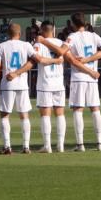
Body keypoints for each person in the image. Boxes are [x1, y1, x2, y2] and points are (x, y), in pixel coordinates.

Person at [63, 13, 101, 152]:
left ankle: (80, 144)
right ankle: (99, 143)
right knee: (95, 109)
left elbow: (69, 57)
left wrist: (81, 59)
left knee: (78, 109)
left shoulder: (71, 37)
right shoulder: (94, 36)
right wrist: (91, 59)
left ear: (73, 24)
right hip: (92, 78)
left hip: (79, 77)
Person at [0, 23, 37, 154]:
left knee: (4, 115)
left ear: (7, 33)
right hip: (22, 84)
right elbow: (33, 61)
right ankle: (26, 146)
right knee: (24, 115)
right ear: (20, 33)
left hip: (7, 84)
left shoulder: (1, 46)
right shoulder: (27, 45)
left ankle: (7, 147)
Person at [31, 22, 69, 153]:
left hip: (45, 83)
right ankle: (61, 145)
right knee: (60, 114)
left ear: (42, 30)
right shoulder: (61, 43)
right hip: (59, 83)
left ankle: (47, 145)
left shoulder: (38, 44)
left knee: (45, 115)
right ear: (53, 30)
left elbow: (39, 59)